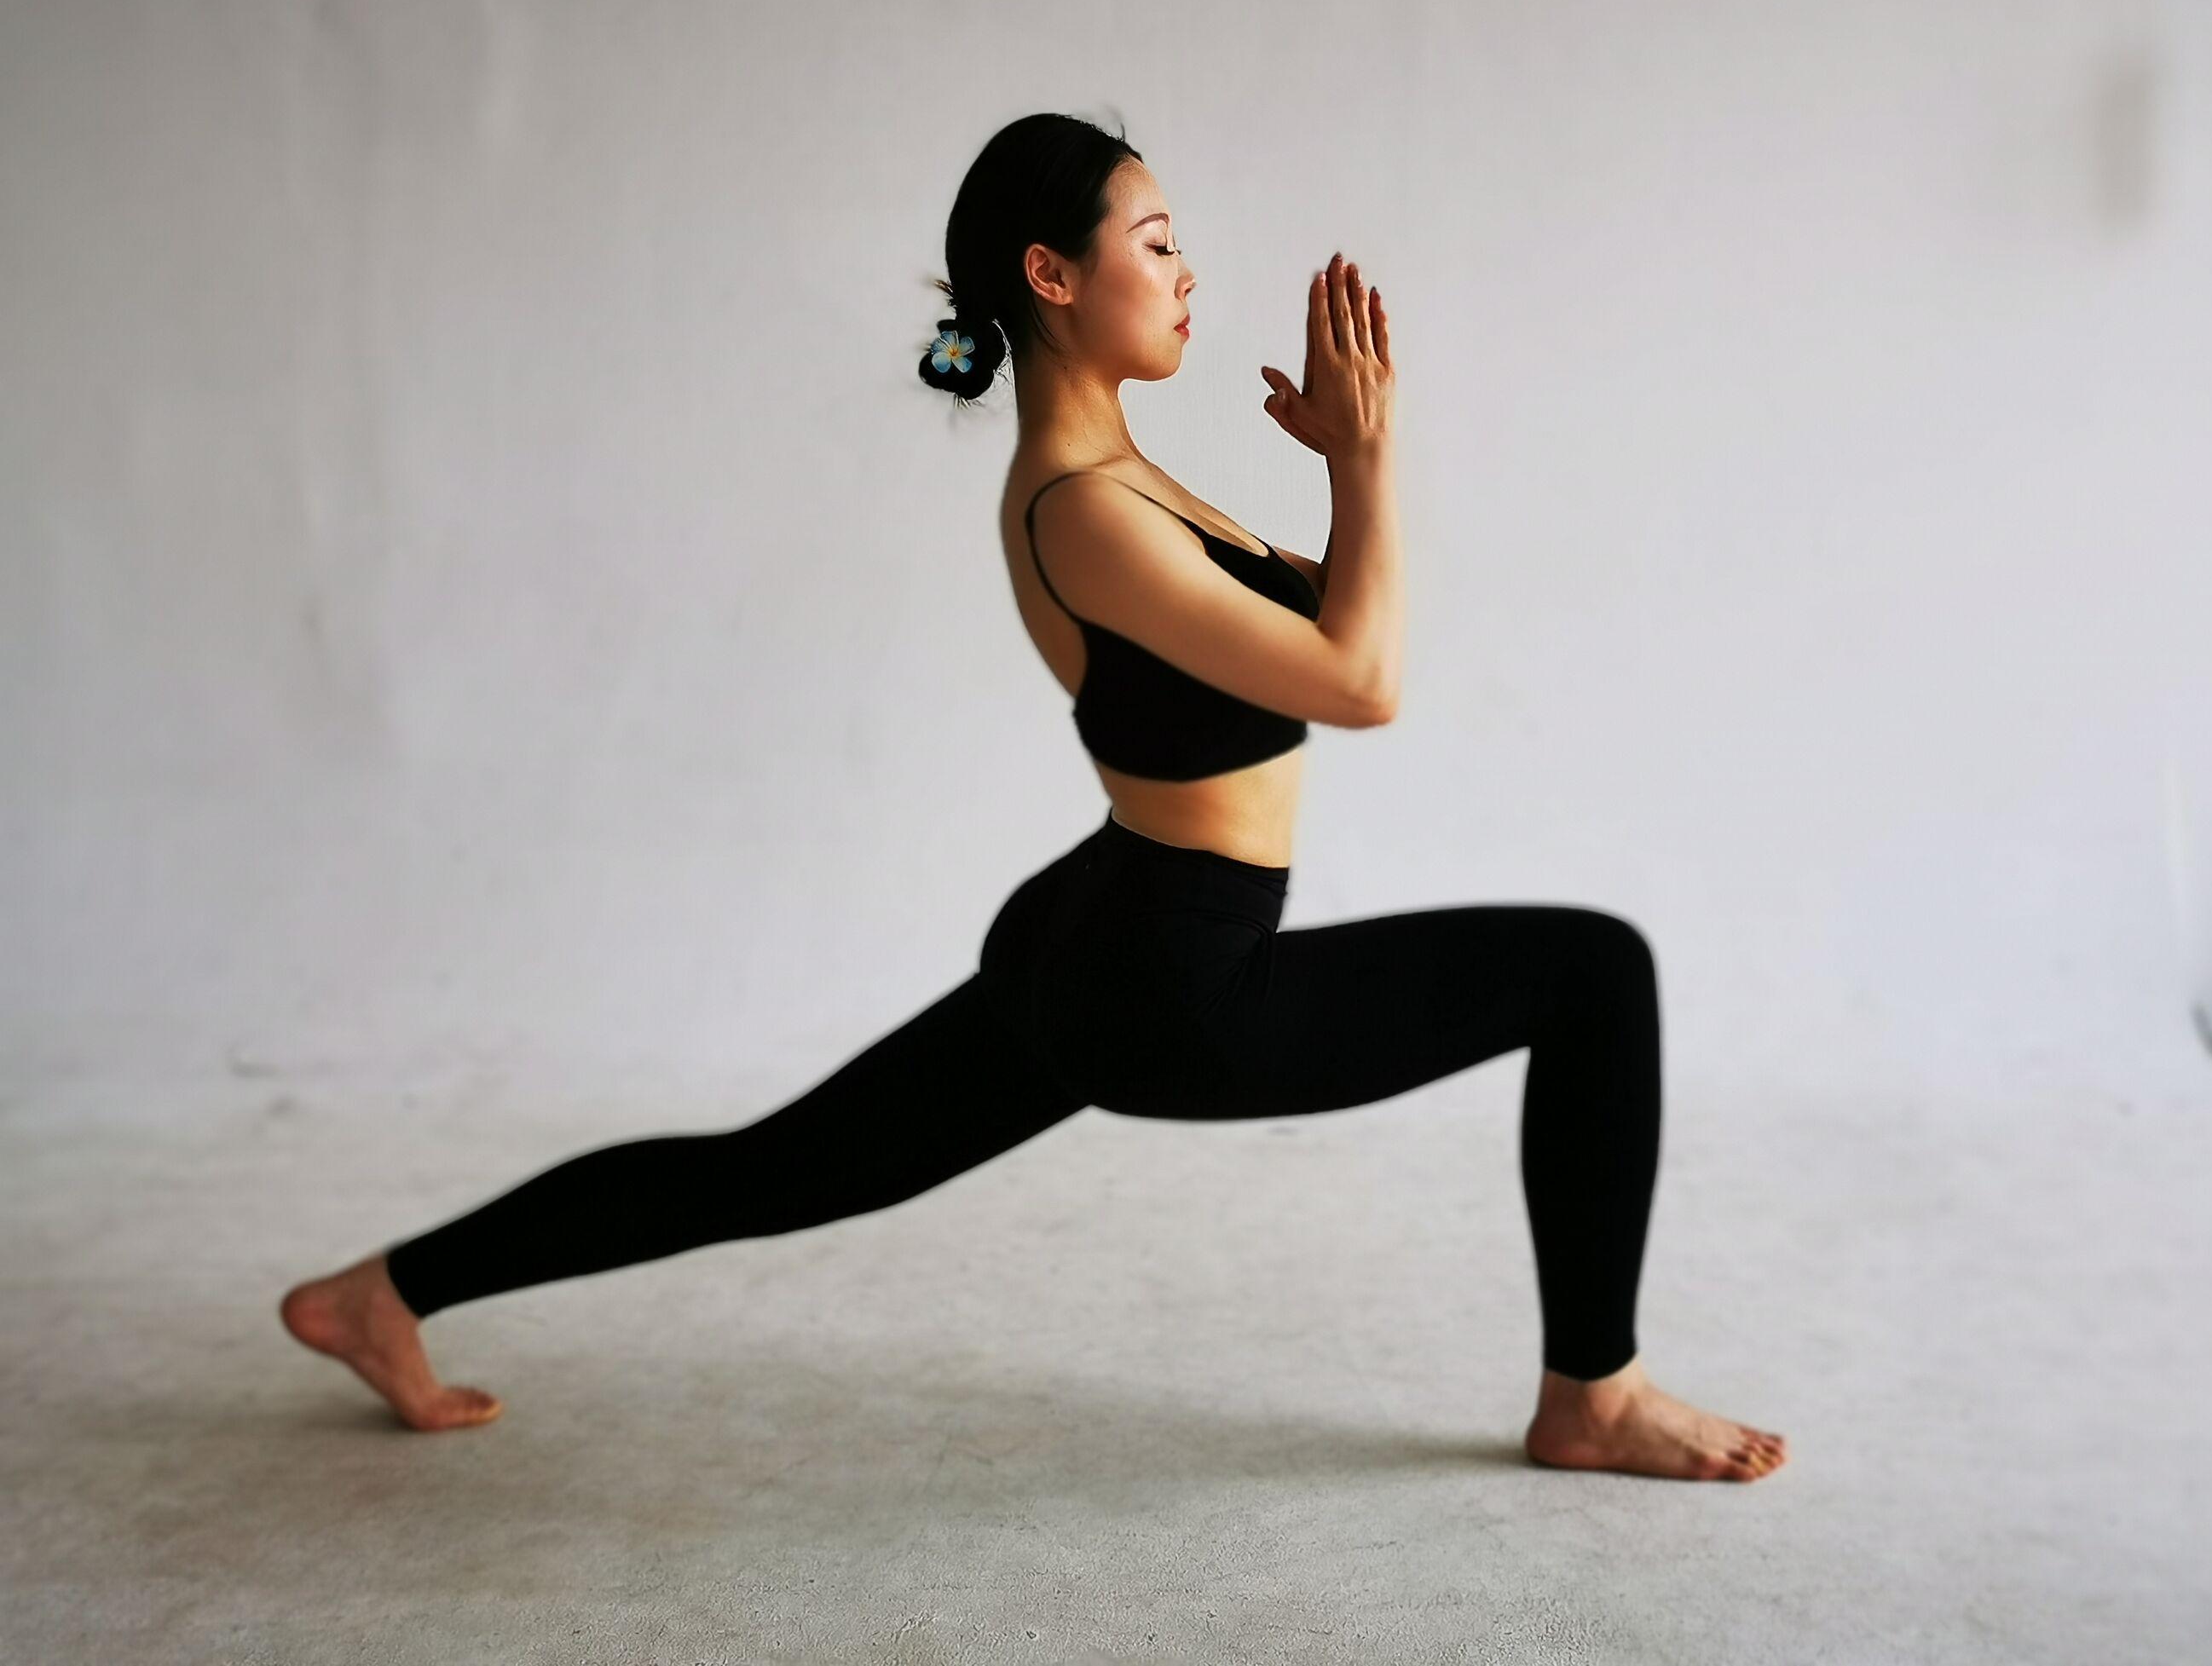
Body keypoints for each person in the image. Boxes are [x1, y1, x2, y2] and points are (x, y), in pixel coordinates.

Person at [280, 111, 1786, 1482]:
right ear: (1051, 276)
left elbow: (1334, 621)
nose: (1188, 273)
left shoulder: (1129, 480)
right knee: (1593, 973)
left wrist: (1346, 463)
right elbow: (1364, 681)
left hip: (1107, 926)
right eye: (1157, 243)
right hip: (1174, 979)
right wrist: (1377, 456)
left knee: (783, 1165)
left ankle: (377, 1294)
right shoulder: (1086, 511)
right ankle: (1592, 1398)